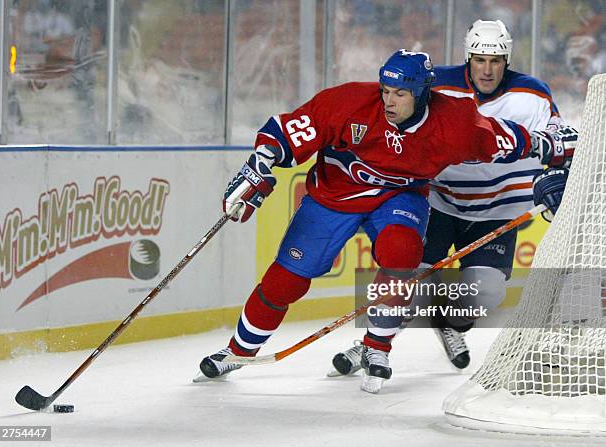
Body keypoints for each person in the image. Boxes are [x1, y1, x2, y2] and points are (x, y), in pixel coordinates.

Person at [194, 49, 576, 394]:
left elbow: (510, 140)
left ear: (423, 93)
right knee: (286, 278)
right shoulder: (350, 101)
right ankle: (238, 352)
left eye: (401, 94)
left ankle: (377, 348)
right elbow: (288, 130)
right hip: (334, 196)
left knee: (402, 252)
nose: (389, 101)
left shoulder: (455, 123)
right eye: (386, 90)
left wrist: (558, 150)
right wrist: (260, 163)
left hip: (399, 198)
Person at [329, 20, 574, 379]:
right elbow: (393, 114)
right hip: (439, 202)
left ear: (506, 60)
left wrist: (558, 173)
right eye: (479, 60)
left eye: (495, 61)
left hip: (498, 212)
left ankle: (447, 320)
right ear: (467, 57)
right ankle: (370, 343)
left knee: (486, 294)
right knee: (406, 279)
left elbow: (559, 143)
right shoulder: (437, 84)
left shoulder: (533, 95)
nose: (487, 70)